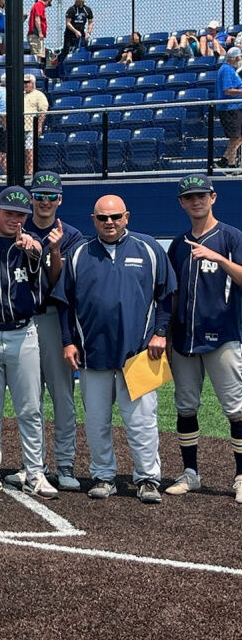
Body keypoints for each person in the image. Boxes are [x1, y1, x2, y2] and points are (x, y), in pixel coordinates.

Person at [53, 194, 175, 504]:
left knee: (142, 421)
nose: (110, 222)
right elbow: (64, 304)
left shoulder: (149, 249)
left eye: (116, 217)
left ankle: (147, 478)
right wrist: (68, 341)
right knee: (96, 421)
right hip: (93, 353)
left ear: (127, 217)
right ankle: (103, 475)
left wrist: (160, 332)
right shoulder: (79, 253)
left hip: (139, 354)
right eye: (103, 218)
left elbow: (166, 297)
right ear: (92, 220)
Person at [0, 187, 57, 499]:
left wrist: (34, 248)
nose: (14, 219)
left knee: (30, 408)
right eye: (9, 212)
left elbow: (40, 264)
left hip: (24, 332)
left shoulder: (31, 244)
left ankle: (35, 471)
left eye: (20, 214)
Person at [165, 176, 242, 503]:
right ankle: (191, 473)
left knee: (236, 408)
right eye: (189, 197)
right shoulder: (178, 244)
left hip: (223, 335)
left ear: (213, 197)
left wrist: (220, 260)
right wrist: (166, 336)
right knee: (185, 407)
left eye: (201, 196)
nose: (196, 202)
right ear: (182, 203)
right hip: (184, 338)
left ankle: (240, 476)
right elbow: (170, 294)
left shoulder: (230, 237)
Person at [22, 171, 84, 492]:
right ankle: (34, 464)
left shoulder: (71, 235)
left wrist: (52, 251)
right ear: (31, 197)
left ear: (59, 200)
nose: (44, 202)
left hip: (55, 317)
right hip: (23, 318)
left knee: (62, 396)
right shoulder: (18, 226)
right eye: (40, 196)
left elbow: (62, 282)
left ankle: (65, 464)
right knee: (30, 398)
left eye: (51, 196)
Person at [214, 46, 242, 168]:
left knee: (238, 137)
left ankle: (224, 160)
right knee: (235, 137)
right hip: (230, 108)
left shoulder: (230, 69)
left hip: (235, 107)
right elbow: (227, 90)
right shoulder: (226, 70)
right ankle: (231, 165)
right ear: (235, 58)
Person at [23, 74, 49, 175]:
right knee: (23, 152)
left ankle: (30, 172)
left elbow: (43, 111)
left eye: (27, 82)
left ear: (32, 83)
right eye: (24, 82)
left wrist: (39, 126)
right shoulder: (22, 95)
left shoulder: (39, 95)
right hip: (21, 128)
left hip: (31, 127)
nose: (25, 84)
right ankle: (25, 171)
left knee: (29, 150)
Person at [60, 0, 93, 64]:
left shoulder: (87, 10)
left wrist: (88, 32)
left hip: (81, 35)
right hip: (70, 35)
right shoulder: (71, 9)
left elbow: (90, 22)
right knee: (67, 52)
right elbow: (68, 23)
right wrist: (75, 31)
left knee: (82, 50)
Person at [27, 0, 53, 69]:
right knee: (37, 54)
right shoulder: (39, 5)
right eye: (48, 4)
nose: (47, 7)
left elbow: (29, 21)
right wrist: (40, 32)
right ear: (47, 1)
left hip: (36, 34)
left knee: (39, 54)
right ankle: (36, 70)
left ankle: (38, 70)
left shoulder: (37, 6)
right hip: (36, 34)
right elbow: (37, 19)